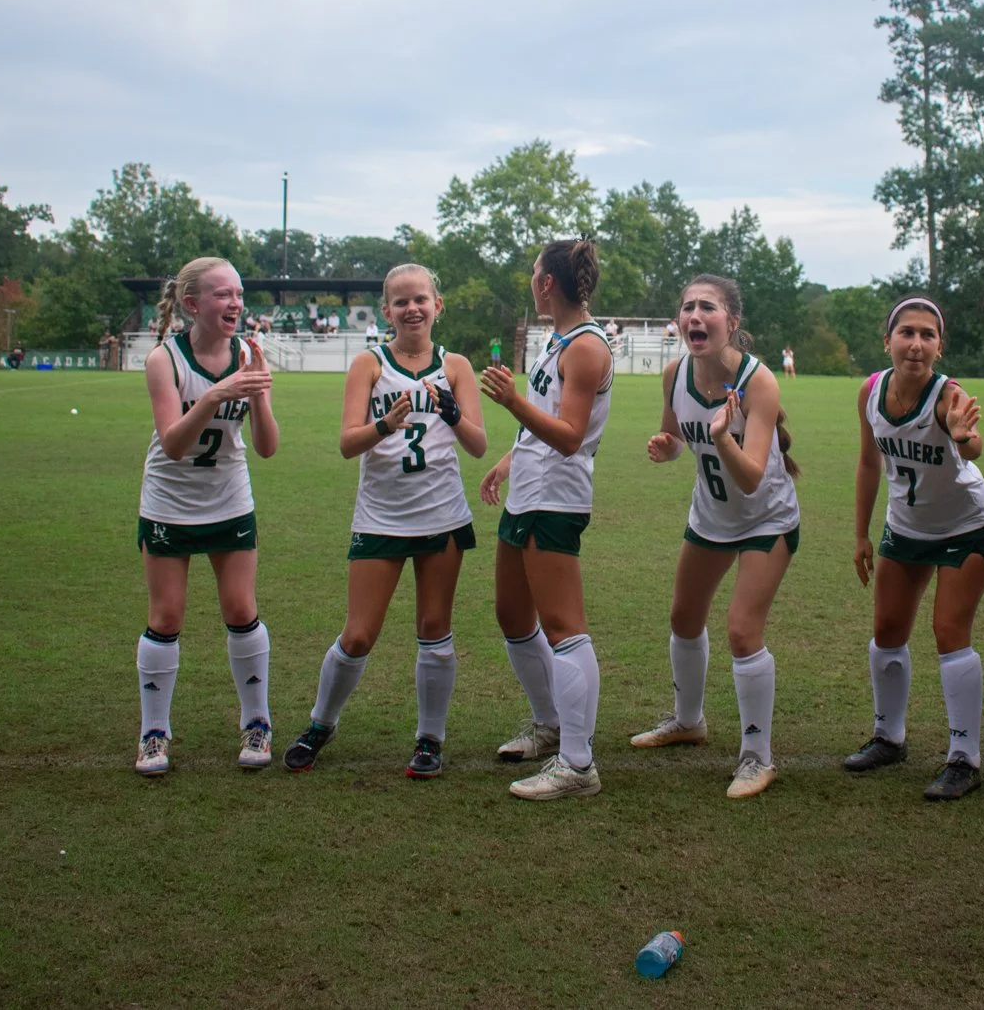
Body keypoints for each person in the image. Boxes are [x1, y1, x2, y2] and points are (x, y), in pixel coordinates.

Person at [284, 265, 488, 780]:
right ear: (387, 311)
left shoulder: (457, 366)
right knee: (358, 635)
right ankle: (320, 724)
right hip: (381, 518)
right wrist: (385, 424)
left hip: (441, 517)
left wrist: (453, 414)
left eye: (421, 299)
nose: (412, 309)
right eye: (400, 302)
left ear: (438, 305)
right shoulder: (369, 364)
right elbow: (348, 443)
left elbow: (479, 445)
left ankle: (429, 739)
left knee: (434, 629)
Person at [635, 275, 801, 799]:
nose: (694, 316)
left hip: (765, 520)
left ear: (732, 321)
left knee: (741, 632)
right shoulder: (674, 374)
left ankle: (757, 757)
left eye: (708, 307)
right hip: (710, 519)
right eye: (687, 308)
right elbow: (676, 435)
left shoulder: (759, 382)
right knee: (684, 619)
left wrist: (720, 437)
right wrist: (668, 447)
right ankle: (689, 721)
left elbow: (751, 474)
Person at [843, 296, 984, 800]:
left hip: (965, 526)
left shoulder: (948, 394)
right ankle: (889, 737)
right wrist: (862, 533)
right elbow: (870, 463)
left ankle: (964, 757)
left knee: (949, 631)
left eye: (927, 335)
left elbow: (972, 444)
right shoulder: (871, 390)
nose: (916, 344)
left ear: (939, 346)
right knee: (887, 631)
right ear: (886, 341)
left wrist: (961, 435)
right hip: (905, 526)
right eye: (906, 332)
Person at [132, 256, 280, 776]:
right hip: (170, 501)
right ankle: (155, 731)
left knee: (241, 609)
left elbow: (266, 448)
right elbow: (173, 443)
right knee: (166, 616)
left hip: (229, 498)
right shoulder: (163, 361)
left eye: (238, 294)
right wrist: (216, 393)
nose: (235, 303)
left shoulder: (249, 353)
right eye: (222, 294)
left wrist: (258, 392)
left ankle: (257, 721)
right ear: (192, 304)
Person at [479, 239, 612, 800]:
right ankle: (550, 724)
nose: (531, 281)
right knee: (512, 613)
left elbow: (570, 436)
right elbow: (543, 422)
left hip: (556, 499)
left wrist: (511, 402)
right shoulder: (553, 338)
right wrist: (508, 462)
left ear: (548, 283)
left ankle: (577, 765)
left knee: (564, 626)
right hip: (527, 493)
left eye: (534, 273)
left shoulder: (585, 347)